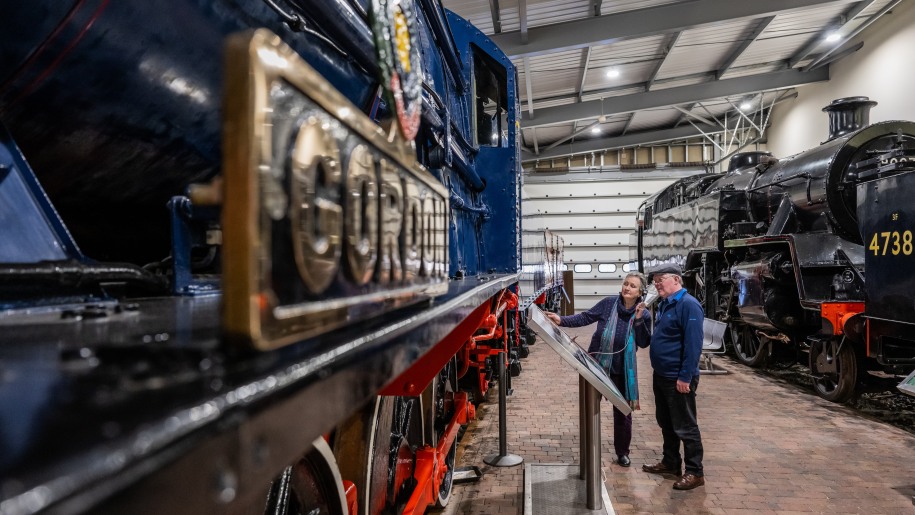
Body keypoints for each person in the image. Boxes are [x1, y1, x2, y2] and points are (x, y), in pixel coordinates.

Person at [545, 272, 651, 467]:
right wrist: (562, 320)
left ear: (640, 292)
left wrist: (638, 320)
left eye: (633, 286)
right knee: (590, 407)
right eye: (625, 284)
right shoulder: (609, 303)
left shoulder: (643, 313)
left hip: (622, 370)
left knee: (623, 412)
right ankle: (588, 447)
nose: (627, 288)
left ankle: (622, 452)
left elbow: (644, 342)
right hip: (597, 365)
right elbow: (586, 317)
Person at [639, 263, 706, 490]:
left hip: (679, 377)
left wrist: (685, 377)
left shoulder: (689, 305)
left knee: (686, 426)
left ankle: (695, 472)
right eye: (655, 281)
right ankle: (670, 461)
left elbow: (693, 345)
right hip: (662, 375)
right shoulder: (666, 304)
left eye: (661, 280)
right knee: (666, 422)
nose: (656, 285)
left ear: (676, 280)